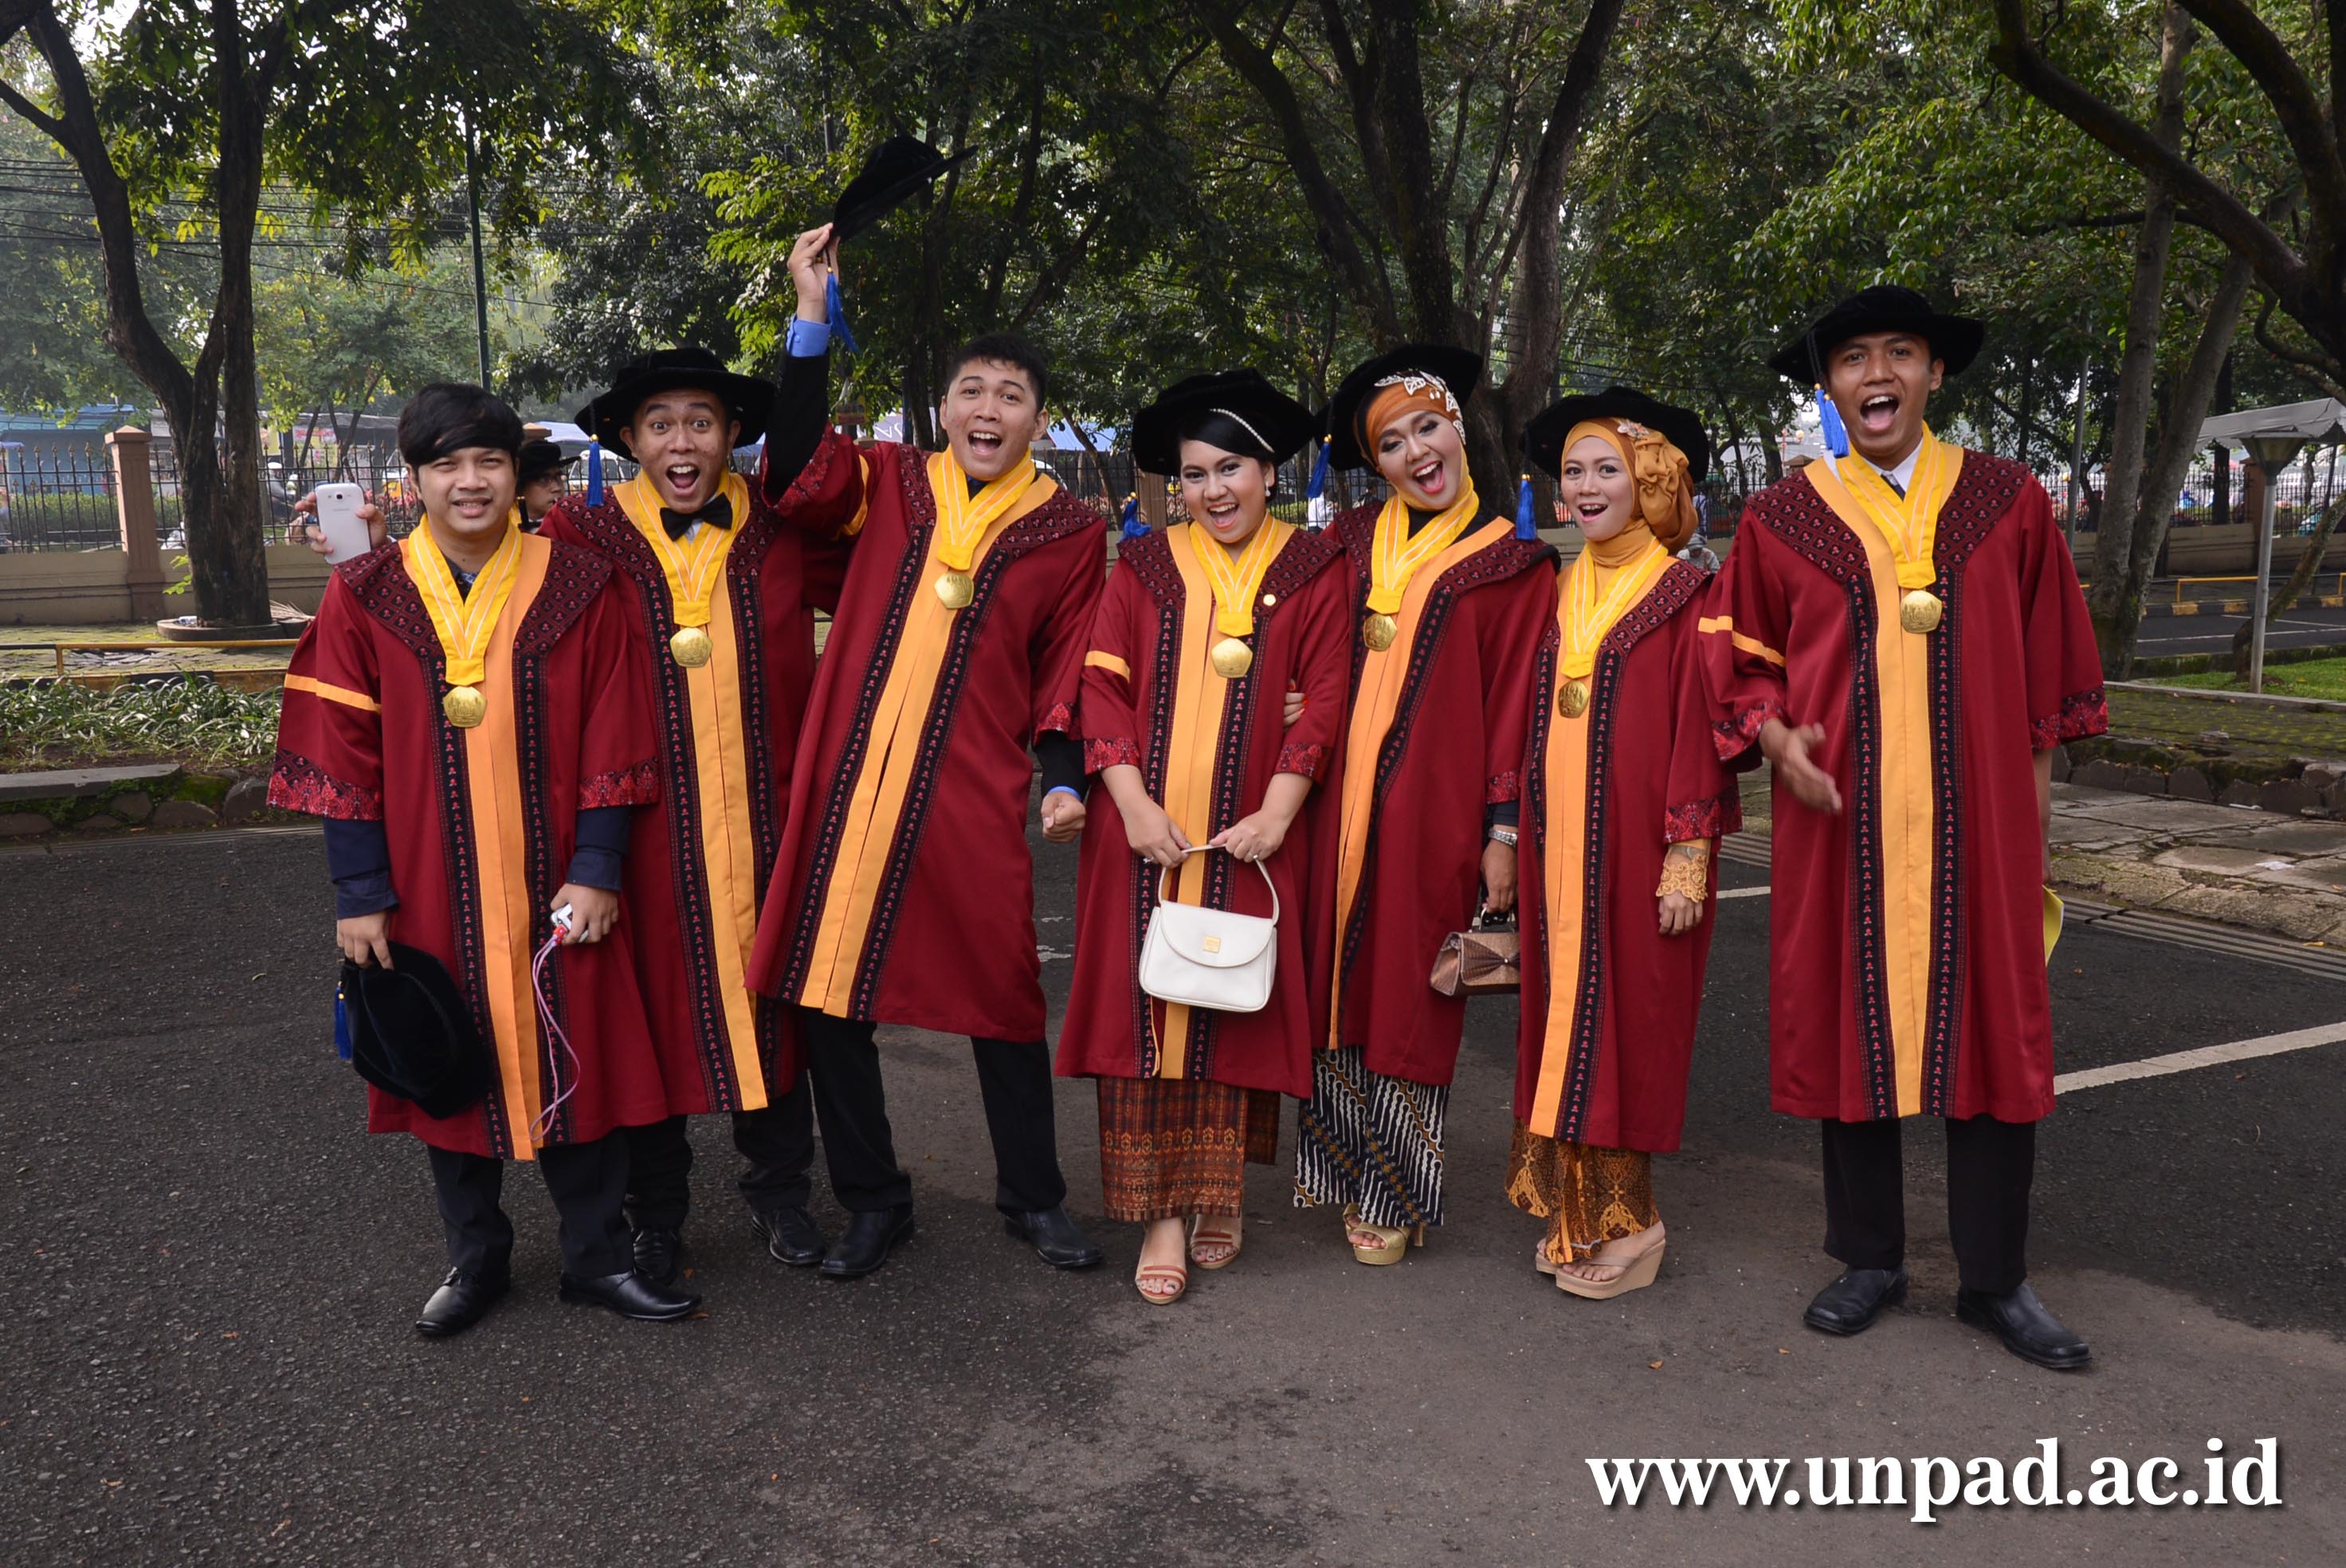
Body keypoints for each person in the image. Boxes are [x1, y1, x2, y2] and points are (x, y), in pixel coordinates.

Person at [1705, 286, 2107, 1369]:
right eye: (1852, 359)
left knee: (1994, 1038)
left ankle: (1995, 1280)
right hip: (1839, 829)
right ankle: (1869, 1258)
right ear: (1829, 387)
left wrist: (2034, 825)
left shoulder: (2008, 501)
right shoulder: (1781, 518)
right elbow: (1742, 661)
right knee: (1851, 1025)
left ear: (1933, 373)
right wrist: (1775, 738)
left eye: (1899, 353)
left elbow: (2049, 677)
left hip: (1984, 826)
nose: (1876, 374)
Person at [267, 382, 697, 1336]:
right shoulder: (366, 592)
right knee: (442, 1059)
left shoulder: (580, 584)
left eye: (489, 462)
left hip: (556, 879)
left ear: (514, 472)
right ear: (414, 479)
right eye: (447, 464)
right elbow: (341, 754)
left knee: (577, 1055)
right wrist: (360, 892)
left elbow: (617, 729)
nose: (470, 482)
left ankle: (596, 1259)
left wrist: (598, 866)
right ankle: (476, 1261)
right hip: (427, 884)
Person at [743, 224, 1105, 1278]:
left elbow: (1067, 669)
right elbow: (791, 473)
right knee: (830, 993)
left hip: (970, 789)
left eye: (1012, 395)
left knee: (1003, 993)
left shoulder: (1070, 532)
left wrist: (1064, 780)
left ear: (1038, 418)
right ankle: (873, 1201)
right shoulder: (888, 481)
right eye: (972, 390)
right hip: (849, 783)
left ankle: (1034, 1199)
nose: (989, 408)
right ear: (945, 407)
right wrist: (811, 314)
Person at [1057, 370, 1352, 1304]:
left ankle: (1217, 1194)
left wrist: (1277, 813)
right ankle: (1161, 1215)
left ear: (1268, 472)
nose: (1213, 490)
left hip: (1252, 835)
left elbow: (1327, 696)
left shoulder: (1313, 568)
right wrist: (1132, 806)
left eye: (1231, 468)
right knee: (1148, 1013)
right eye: (1193, 474)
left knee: (1229, 1002)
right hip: (1147, 837)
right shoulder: (1144, 566)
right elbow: (1100, 688)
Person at [1297, 345, 1556, 1264]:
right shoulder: (1345, 542)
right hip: (1329, 811)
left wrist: (1502, 830)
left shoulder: (1511, 563)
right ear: (1375, 463)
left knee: (1412, 996)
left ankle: (1394, 1191)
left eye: (1427, 428)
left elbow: (1517, 709)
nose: (1417, 453)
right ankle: (1340, 1172)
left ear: (1459, 430)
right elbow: (1302, 641)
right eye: (1392, 443)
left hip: (1434, 817)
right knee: (1332, 984)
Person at [1507, 388, 1739, 1299]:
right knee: (1563, 1025)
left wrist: (1689, 855)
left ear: (1651, 481)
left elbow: (1702, 730)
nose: (1586, 486)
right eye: (1573, 471)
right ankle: (1575, 1218)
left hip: (1639, 855)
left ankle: (1635, 1227)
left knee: (1627, 1032)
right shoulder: (1558, 586)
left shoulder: (1686, 594)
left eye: (1608, 468)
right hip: (1555, 851)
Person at [516, 439, 576, 531]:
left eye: (558, 477)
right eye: (544, 480)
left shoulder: (574, 526)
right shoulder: (503, 528)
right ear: (520, 488)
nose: (557, 488)